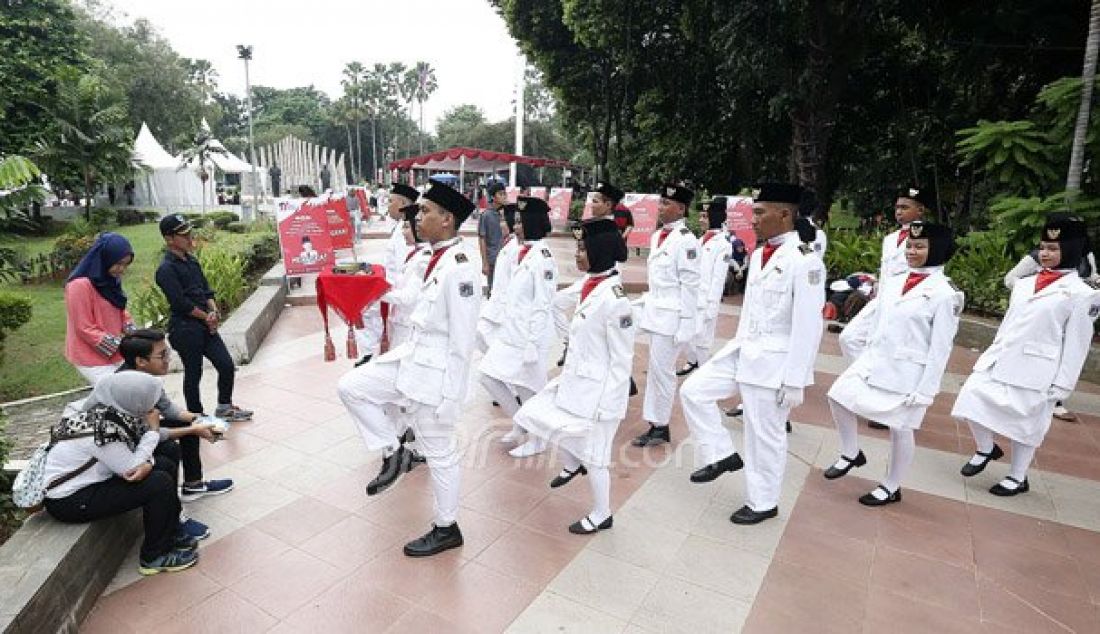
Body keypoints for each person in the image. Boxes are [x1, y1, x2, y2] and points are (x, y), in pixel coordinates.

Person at [336, 181, 480, 557]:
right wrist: (368, 282)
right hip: (411, 360)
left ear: (447, 220)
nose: (419, 217)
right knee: (352, 386)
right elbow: (411, 299)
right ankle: (393, 449)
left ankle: (447, 527)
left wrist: (453, 396)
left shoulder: (460, 269)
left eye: (428, 211)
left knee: (441, 454)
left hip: (435, 377)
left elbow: (463, 342)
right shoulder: (433, 259)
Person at [679, 182, 825, 525]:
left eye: (759, 212)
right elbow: (750, 312)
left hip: (775, 362)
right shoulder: (761, 254)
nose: (752, 219)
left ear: (785, 214)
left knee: (765, 434)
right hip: (746, 349)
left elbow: (809, 326)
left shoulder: (805, 262)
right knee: (693, 392)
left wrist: (795, 380)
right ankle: (721, 454)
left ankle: (763, 502)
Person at [952, 216, 1100, 497]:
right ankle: (986, 448)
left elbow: (1077, 344)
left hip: (1039, 370)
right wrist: (989, 356)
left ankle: (1017, 477)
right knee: (969, 398)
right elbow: (1008, 324)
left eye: (1054, 249)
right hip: (1002, 359)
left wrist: (1063, 385)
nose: (1045, 253)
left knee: (1027, 426)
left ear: (1071, 251)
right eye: (1043, 247)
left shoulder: (1084, 294)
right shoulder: (1024, 284)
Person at [823, 221, 963, 505]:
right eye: (909, 245)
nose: (911, 251)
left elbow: (940, 348)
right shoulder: (896, 280)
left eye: (920, 246)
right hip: (875, 361)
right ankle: (851, 452)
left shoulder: (946, 294)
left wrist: (927, 390)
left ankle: (891, 485)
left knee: (901, 429)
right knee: (837, 396)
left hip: (907, 372)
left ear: (936, 249)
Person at [513, 220, 636, 534]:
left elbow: (623, 361)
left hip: (600, 393)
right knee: (535, 415)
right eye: (578, 247)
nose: (577, 254)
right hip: (578, 382)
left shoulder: (616, 299)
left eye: (583, 249)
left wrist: (608, 406)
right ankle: (572, 463)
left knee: (597, 456)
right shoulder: (591, 284)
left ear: (600, 251)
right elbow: (558, 303)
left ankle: (602, 513)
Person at [43, 371, 214, 575]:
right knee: (158, 483)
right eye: (149, 401)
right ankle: (154, 556)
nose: (153, 406)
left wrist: (149, 459)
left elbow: (139, 451)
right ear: (133, 399)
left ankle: (171, 531)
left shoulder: (112, 410)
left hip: (96, 480)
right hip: (70, 500)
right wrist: (152, 432)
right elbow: (133, 470)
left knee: (167, 456)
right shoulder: (101, 430)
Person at [155, 214, 253, 426]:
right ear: (169, 239)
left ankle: (224, 407)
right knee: (194, 372)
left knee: (226, 365)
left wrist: (214, 311)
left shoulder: (192, 261)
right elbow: (180, 303)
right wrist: (206, 316)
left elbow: (206, 290)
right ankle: (196, 416)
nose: (190, 238)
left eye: (190, 233)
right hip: (185, 328)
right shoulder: (166, 269)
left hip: (205, 325)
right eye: (184, 235)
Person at [480, 197, 559, 457]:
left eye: (519, 222)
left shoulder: (543, 258)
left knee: (530, 390)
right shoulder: (525, 251)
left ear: (532, 223)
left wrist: (533, 344)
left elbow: (542, 304)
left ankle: (538, 439)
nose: (514, 227)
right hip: (511, 333)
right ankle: (521, 424)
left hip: (528, 337)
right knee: (487, 376)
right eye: (514, 222)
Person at [119, 329, 235, 502]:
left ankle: (193, 485)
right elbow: (149, 434)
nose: (168, 359)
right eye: (162, 355)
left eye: (168, 352)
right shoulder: (129, 389)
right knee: (175, 444)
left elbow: (168, 409)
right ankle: (173, 507)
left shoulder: (147, 378)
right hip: (126, 445)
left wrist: (201, 420)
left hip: (144, 432)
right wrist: (194, 429)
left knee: (190, 424)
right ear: (141, 361)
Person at [1001, 224, 1099, 422]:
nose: (1045, 252)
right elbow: (1011, 279)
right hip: (1044, 317)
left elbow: (1093, 277)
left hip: (1072, 313)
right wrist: (1035, 297)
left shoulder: (1087, 257)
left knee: (1066, 354)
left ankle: (1057, 398)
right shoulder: (1037, 256)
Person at [632, 184, 700, 447]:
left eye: (666, 204)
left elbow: (691, 286)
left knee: (662, 373)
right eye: (659, 203)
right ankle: (656, 422)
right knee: (656, 370)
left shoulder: (686, 240)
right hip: (656, 311)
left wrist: (687, 324)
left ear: (681, 209)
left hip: (672, 318)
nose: (659, 208)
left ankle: (660, 426)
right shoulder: (658, 235)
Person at [554, 182, 626, 367]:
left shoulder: (609, 228)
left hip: (605, 279)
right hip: (591, 277)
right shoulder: (592, 225)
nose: (591, 205)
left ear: (608, 205)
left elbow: (620, 256)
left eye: (595, 201)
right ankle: (569, 342)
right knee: (557, 304)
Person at [64, 232, 136, 385]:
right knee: (116, 391)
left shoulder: (111, 280)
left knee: (137, 386)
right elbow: (84, 328)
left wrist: (134, 334)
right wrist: (118, 345)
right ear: (105, 258)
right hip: (90, 357)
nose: (122, 269)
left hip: (115, 353)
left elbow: (120, 309)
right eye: (118, 263)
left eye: (125, 264)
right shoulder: (79, 285)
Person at [677, 197, 732, 376]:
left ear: (714, 218)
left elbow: (718, 279)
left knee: (703, 339)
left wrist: (711, 305)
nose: (700, 220)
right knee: (687, 335)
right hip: (693, 297)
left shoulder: (723, 244)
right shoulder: (701, 240)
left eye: (704, 216)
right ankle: (693, 360)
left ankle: (704, 370)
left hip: (706, 300)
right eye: (700, 216)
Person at [384, 204, 432, 349]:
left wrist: (375, 292)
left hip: (407, 326)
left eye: (406, 227)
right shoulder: (415, 254)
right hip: (399, 322)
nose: (403, 232)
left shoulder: (424, 259)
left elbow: (408, 298)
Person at [476, 201, 519, 354]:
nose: (500, 225)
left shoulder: (515, 249)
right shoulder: (508, 245)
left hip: (504, 311)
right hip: (496, 307)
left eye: (503, 220)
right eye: (499, 220)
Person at [479, 182, 508, 295]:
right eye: (500, 194)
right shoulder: (486, 215)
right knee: (493, 290)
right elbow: (482, 239)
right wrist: (484, 262)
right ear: (493, 197)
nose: (504, 196)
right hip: (493, 259)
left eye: (505, 194)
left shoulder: (508, 213)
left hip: (507, 259)